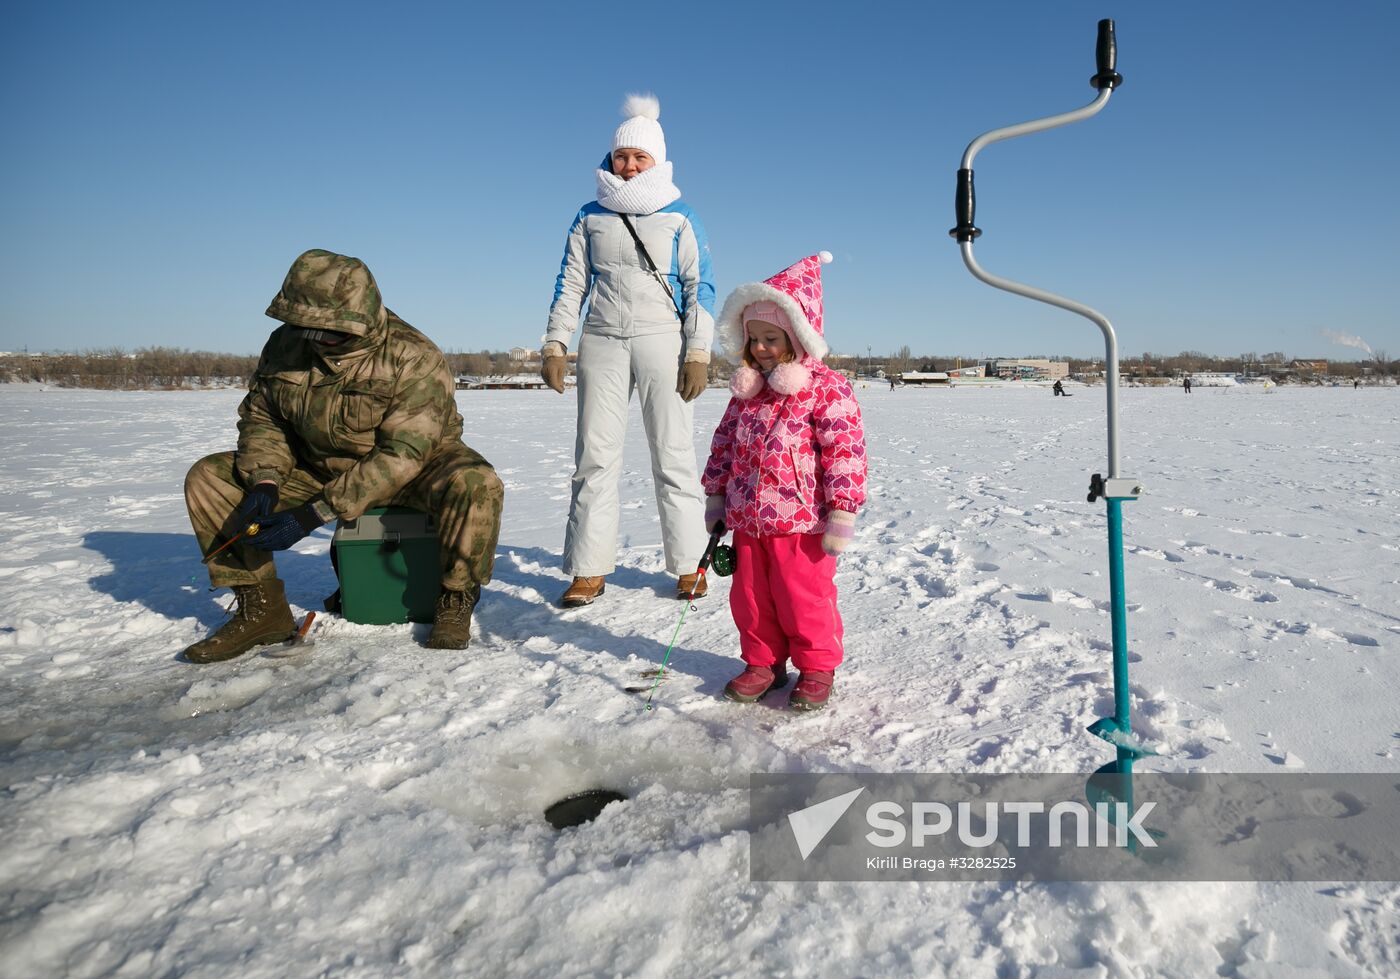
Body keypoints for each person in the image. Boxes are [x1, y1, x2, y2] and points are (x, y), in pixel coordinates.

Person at [182, 249, 504, 662]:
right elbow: (264, 419)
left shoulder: (413, 355)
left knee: (477, 483)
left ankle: (456, 595)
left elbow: (405, 452)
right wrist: (264, 479)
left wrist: (313, 513)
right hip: (318, 466)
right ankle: (262, 610)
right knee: (210, 477)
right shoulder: (285, 347)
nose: (316, 341)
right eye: (306, 329)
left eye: (330, 332)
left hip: (417, 469)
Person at [541, 94, 715, 608]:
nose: (630, 164)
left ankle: (687, 565)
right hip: (602, 341)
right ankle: (588, 569)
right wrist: (556, 342)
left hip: (662, 340)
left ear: (657, 160)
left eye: (640, 157)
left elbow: (698, 286)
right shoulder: (589, 215)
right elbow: (571, 282)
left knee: (674, 454)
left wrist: (698, 352)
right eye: (622, 156)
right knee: (594, 457)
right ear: (611, 159)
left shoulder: (681, 216)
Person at [702, 253, 868, 711]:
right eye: (753, 339)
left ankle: (816, 668)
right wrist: (716, 496)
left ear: (796, 336)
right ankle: (763, 663)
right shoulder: (748, 392)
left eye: (771, 338)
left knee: (804, 597)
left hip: (802, 521)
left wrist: (842, 509)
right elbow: (723, 446)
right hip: (748, 518)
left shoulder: (826, 387)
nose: (759, 348)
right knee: (751, 598)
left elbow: (845, 450)